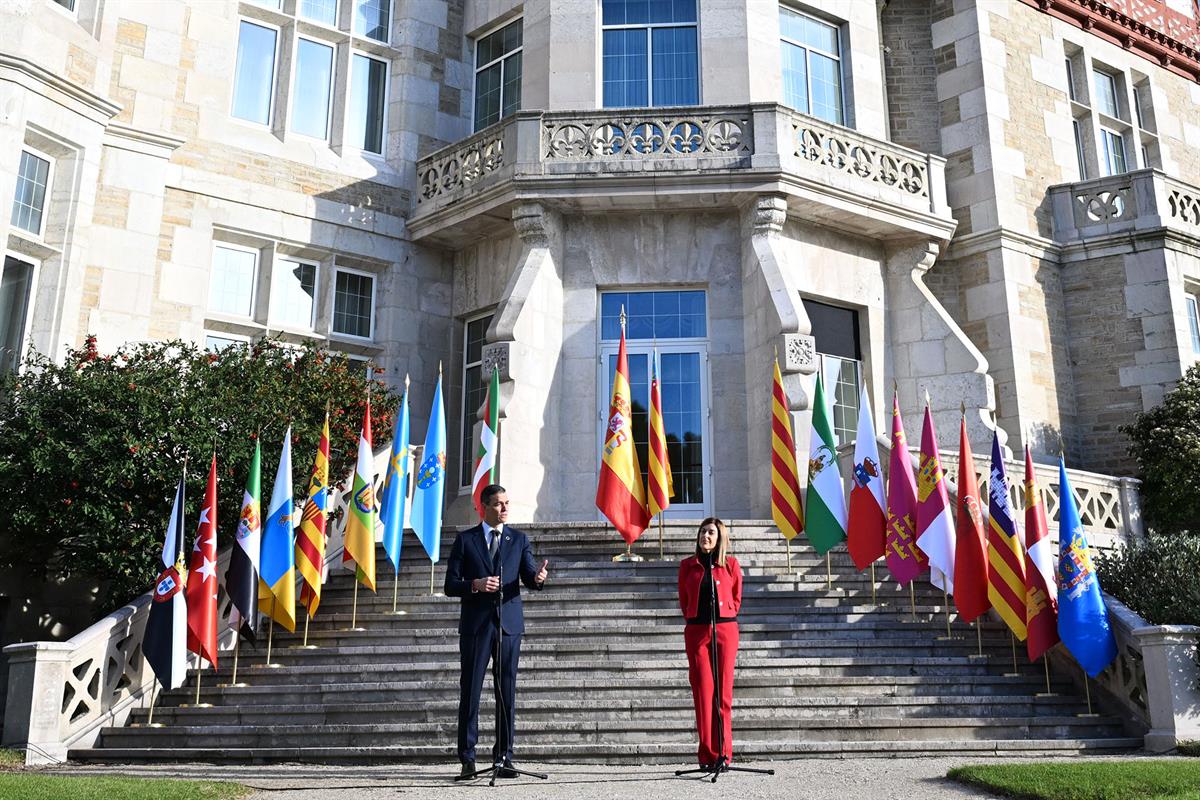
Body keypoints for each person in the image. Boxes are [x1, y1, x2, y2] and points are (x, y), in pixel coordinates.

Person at [444, 484, 549, 779]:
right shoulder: (465, 541)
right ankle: (467, 758)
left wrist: (539, 577)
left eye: (507, 503)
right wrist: (474, 585)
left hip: (508, 625)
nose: (505, 509)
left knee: (507, 694)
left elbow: (529, 577)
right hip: (476, 627)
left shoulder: (518, 540)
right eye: (499, 504)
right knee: (472, 692)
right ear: (484, 507)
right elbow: (450, 585)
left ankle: (504, 757)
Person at [677, 517, 742, 770]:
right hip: (697, 632)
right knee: (703, 693)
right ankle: (707, 755)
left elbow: (736, 597)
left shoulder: (731, 565)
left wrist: (726, 614)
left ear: (720, 538)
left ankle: (724, 755)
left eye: (711, 532)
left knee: (723, 695)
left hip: (725, 630)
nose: (706, 536)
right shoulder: (687, 566)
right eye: (703, 532)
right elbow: (683, 598)